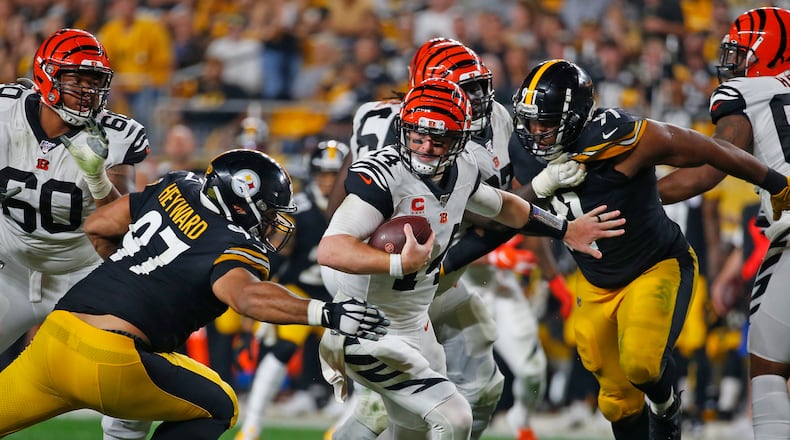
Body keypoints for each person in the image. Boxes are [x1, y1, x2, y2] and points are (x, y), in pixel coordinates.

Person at [0, 149, 391, 439]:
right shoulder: (235, 242)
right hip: (111, 359)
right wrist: (327, 313)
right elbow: (247, 298)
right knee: (219, 405)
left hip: (55, 337)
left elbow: (100, 223)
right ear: (240, 202)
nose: (272, 222)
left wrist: (131, 268)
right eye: (267, 211)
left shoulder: (176, 186)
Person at [317, 77, 624, 439]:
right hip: (370, 325)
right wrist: (397, 263)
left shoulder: (460, 170)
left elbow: (505, 207)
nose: (427, 148)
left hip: (415, 321)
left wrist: (565, 229)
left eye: (439, 139)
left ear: (460, 139)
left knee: (411, 428)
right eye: (418, 136)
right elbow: (331, 249)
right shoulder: (386, 175)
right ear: (403, 131)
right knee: (454, 417)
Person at [507, 58, 790, 440]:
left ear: (575, 118)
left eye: (547, 121)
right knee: (615, 402)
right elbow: (508, 215)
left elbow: (707, 149)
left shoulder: (622, 137)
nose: (535, 132)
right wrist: (544, 192)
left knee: (642, 364)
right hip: (595, 282)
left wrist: (774, 181)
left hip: (654, 265)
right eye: (530, 120)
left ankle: (666, 407)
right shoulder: (525, 151)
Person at [0, 27, 151, 440]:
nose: (87, 92)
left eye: (95, 82)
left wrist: (98, 179)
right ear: (46, 77)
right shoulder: (5, 112)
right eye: (76, 80)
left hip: (81, 274)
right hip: (8, 267)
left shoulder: (117, 135)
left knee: (129, 366)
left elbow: (123, 226)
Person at [655, 7, 790, 439]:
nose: (732, 63)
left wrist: (634, 193)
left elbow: (710, 167)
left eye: (741, 52)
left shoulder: (747, 92)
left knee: (769, 369)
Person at [235, 140, 350, 440]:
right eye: (323, 174)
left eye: (333, 174)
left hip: (338, 296)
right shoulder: (298, 210)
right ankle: (251, 424)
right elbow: (275, 257)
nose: (327, 181)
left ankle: (346, 424)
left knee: (359, 360)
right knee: (281, 350)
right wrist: (265, 289)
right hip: (300, 292)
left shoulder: (357, 206)